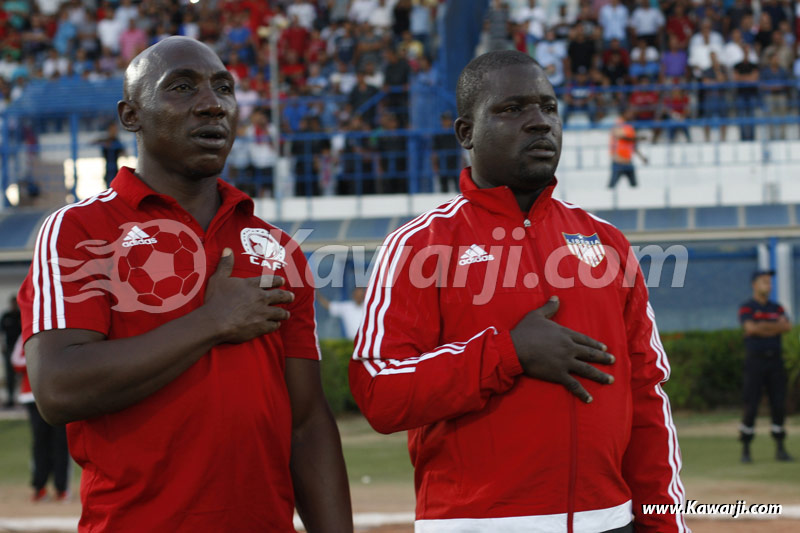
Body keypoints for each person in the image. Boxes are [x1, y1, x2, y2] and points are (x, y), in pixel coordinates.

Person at [17, 37, 352, 532]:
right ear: (131, 116)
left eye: (223, 88)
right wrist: (212, 322)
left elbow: (306, 424)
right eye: (181, 87)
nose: (212, 104)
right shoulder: (79, 230)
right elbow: (57, 388)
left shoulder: (277, 248)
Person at [349, 50, 687, 532]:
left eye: (549, 108)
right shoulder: (420, 245)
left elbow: (646, 395)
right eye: (512, 109)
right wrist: (507, 353)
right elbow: (379, 391)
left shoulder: (606, 241)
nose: (539, 122)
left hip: (610, 520)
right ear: (465, 132)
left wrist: (664, 525)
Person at [738, 270, 794, 463]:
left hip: (775, 362)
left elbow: (787, 327)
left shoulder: (777, 308)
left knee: (778, 404)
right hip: (755, 362)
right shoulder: (747, 307)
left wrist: (761, 327)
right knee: (751, 404)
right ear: (754, 284)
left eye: (769, 282)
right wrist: (774, 326)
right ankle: (746, 449)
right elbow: (749, 328)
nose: (768, 286)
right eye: (764, 282)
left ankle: (780, 448)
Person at [11, 336, 70, 502]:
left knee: (61, 442)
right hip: (32, 396)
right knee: (40, 442)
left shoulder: (60, 332)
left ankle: (61, 488)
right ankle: (39, 487)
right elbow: (16, 361)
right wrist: (41, 359)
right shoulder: (26, 335)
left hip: (58, 395)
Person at [609, 108, 648, 188]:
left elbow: (632, 145)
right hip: (618, 161)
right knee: (611, 187)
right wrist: (638, 138)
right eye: (629, 113)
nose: (631, 115)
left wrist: (642, 157)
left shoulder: (630, 127)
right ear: (624, 113)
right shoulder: (619, 123)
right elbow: (621, 136)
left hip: (628, 161)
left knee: (634, 187)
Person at [1, 295, 21, 408]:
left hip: (20, 349)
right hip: (9, 348)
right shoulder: (6, 316)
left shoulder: (20, 315)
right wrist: (2, 346)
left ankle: (21, 397)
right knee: (9, 375)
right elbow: (1, 333)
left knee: (20, 373)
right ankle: (10, 398)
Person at [94, 122, 126, 188]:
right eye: (112, 129)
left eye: (115, 129)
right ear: (109, 130)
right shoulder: (104, 140)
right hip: (108, 170)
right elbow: (94, 142)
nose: (114, 131)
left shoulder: (118, 142)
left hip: (115, 170)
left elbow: (124, 153)